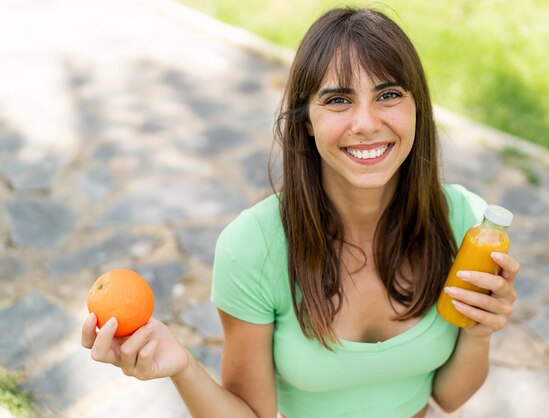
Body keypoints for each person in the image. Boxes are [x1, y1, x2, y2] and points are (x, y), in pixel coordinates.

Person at [82, 7, 520, 418]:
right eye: (338, 100)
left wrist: (480, 332)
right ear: (306, 121)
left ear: (416, 107)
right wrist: (182, 367)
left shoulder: (468, 226)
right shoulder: (253, 248)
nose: (366, 122)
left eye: (388, 94)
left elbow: (447, 395)